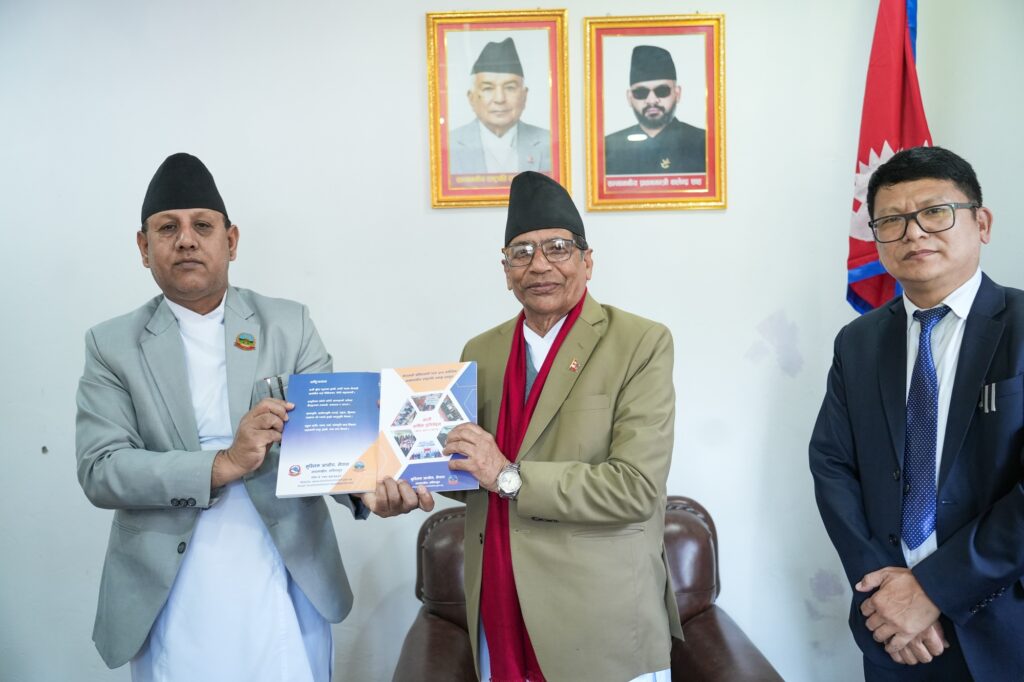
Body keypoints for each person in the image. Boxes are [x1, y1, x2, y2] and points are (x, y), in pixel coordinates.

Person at [75, 153, 433, 680]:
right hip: (169, 575)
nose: (186, 240)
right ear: (143, 247)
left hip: (285, 561)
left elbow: (329, 437)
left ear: (232, 240)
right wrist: (223, 463)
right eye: (167, 228)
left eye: (203, 226)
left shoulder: (288, 324)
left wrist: (365, 489)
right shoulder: (112, 345)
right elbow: (101, 469)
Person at [440, 171, 681, 681]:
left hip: (599, 621)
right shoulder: (480, 351)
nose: (539, 265)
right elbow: (474, 474)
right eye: (521, 252)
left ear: (587, 261)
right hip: (500, 605)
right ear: (506, 271)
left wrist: (507, 476)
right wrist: (406, 477)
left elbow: (635, 488)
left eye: (557, 247)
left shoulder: (639, 342)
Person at [809, 146, 1024, 681]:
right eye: (892, 221)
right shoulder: (857, 342)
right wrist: (882, 593)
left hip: (1006, 623)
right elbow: (832, 466)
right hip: (893, 632)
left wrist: (933, 589)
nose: (914, 232)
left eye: (934, 212)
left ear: (982, 223)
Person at [449, 37, 551, 175]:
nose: (499, 99)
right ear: (471, 98)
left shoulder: (549, 142)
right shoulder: (449, 144)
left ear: (524, 96)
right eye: (488, 88)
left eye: (510, 87)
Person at [604, 45, 706, 175]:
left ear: (677, 93)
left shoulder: (703, 143)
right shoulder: (610, 147)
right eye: (641, 93)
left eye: (662, 91)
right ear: (629, 97)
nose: (652, 100)